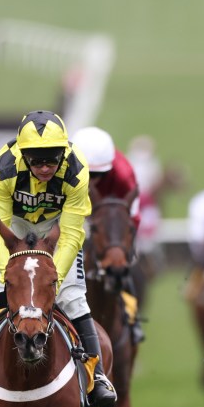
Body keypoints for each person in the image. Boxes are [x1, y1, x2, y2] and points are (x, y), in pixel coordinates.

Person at [0, 110, 117, 407]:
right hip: (16, 228)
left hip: (59, 228)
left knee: (74, 298)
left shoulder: (77, 170)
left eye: (52, 158)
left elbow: (74, 233)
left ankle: (97, 377)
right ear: (23, 156)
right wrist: (7, 268)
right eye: (36, 160)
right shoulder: (4, 166)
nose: (46, 167)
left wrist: (55, 279)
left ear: (64, 152)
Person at [71, 125, 147, 344]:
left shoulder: (124, 174)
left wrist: (123, 246)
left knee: (125, 266)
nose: (93, 180)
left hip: (111, 215)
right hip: (75, 212)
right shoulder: (61, 167)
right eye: (88, 174)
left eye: (98, 175)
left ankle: (132, 318)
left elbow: (132, 216)